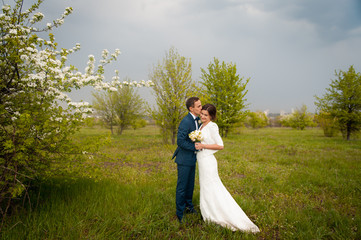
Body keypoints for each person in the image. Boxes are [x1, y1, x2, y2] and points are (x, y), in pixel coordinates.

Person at [195, 104, 260, 232]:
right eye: (202, 113)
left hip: (208, 161)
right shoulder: (202, 125)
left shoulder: (213, 126)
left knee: (211, 187)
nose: (202, 116)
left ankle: (216, 214)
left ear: (211, 116)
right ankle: (208, 211)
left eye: (205, 115)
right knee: (206, 187)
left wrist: (203, 145)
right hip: (202, 160)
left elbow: (220, 145)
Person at [172, 97, 202, 223]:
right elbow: (180, 141)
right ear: (191, 108)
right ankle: (180, 213)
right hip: (184, 159)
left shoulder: (197, 120)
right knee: (182, 187)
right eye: (199, 106)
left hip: (192, 158)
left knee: (190, 186)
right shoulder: (186, 121)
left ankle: (189, 206)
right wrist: (194, 147)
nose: (201, 107)